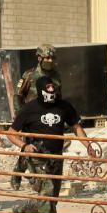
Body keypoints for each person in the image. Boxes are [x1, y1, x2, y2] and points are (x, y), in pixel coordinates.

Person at [6, 77, 86, 213]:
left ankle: (21, 210)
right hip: (38, 159)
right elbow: (11, 134)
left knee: (50, 200)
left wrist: (89, 146)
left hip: (56, 158)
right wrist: (24, 146)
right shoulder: (29, 109)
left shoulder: (64, 106)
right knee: (48, 197)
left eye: (53, 87)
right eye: (48, 87)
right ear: (41, 88)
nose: (51, 90)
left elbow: (76, 127)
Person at [11, 43, 62, 191]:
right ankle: (24, 175)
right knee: (31, 146)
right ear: (39, 58)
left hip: (49, 119)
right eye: (47, 58)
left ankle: (34, 176)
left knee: (45, 147)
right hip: (31, 118)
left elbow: (59, 96)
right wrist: (21, 113)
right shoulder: (29, 75)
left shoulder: (56, 76)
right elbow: (18, 95)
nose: (50, 61)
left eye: (53, 58)